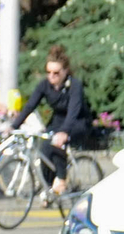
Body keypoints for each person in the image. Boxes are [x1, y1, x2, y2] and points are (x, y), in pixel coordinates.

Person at [11, 44, 102, 195]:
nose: (51, 76)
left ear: (65, 71)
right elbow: (30, 106)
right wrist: (14, 126)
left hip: (78, 121)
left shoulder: (75, 85)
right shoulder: (44, 85)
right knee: (44, 149)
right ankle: (49, 189)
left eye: (56, 73)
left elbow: (74, 110)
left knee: (57, 142)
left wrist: (65, 132)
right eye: (48, 72)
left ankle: (61, 179)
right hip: (58, 121)